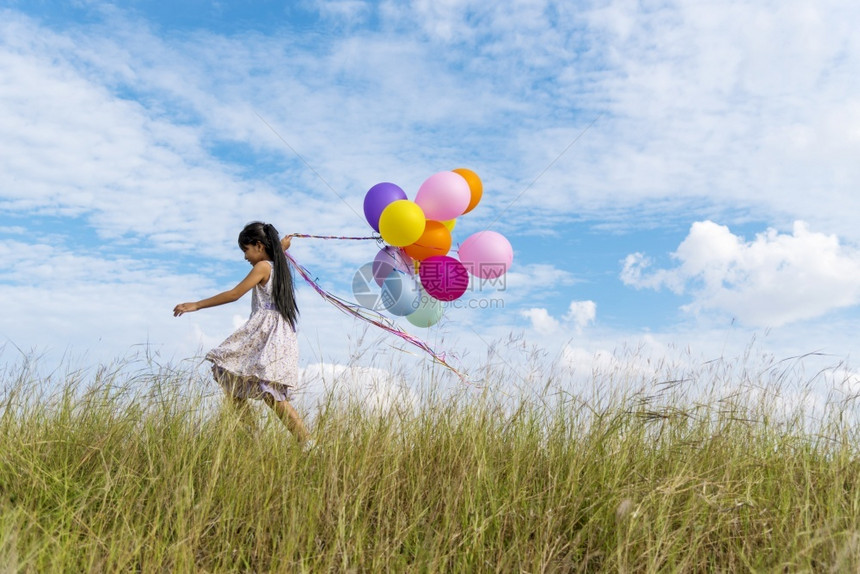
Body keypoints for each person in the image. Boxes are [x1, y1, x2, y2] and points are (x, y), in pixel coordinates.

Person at [173, 221, 309, 444]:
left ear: (258, 246)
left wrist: (196, 305)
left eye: (246, 250)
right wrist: (281, 248)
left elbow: (235, 293)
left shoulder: (263, 266)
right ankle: (301, 443)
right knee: (249, 384)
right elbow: (276, 256)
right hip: (280, 333)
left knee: (236, 373)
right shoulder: (279, 266)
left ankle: (258, 436)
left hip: (266, 332)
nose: (245, 256)